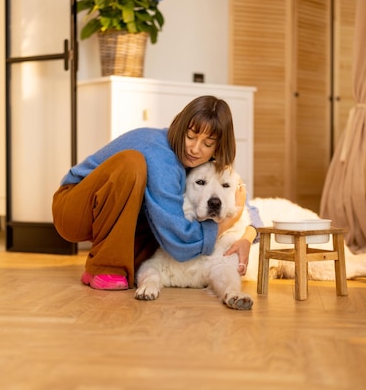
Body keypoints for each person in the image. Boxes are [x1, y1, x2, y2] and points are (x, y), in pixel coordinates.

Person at [52, 95, 263, 290]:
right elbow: (178, 241)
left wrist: (247, 235)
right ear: (180, 127)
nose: (195, 149)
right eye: (190, 136)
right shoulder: (161, 155)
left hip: (111, 216)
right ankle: (104, 267)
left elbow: (241, 203)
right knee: (132, 163)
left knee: (156, 230)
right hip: (73, 208)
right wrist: (227, 222)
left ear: (217, 149)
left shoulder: (201, 164)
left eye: (207, 144)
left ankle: (108, 264)